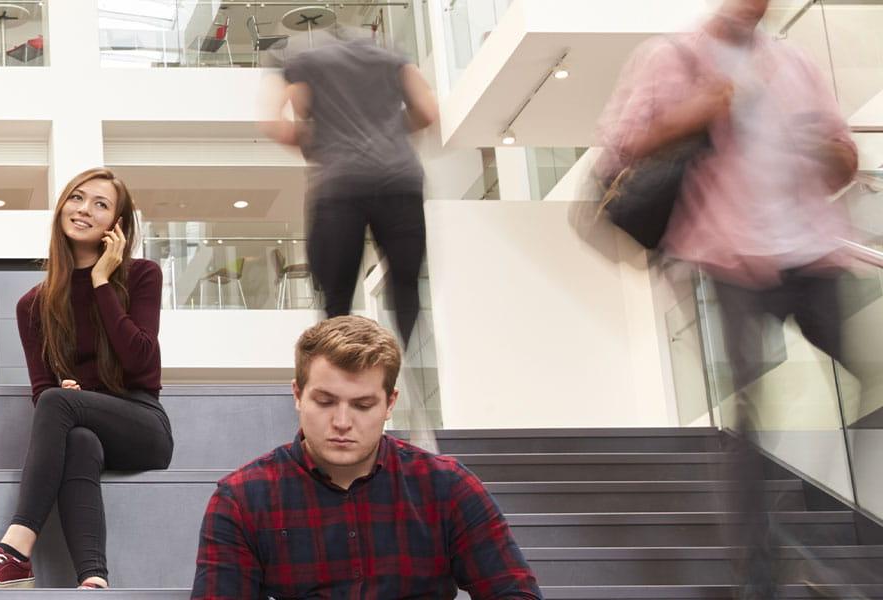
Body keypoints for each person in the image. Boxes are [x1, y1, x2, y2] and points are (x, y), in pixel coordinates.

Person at [597, 1, 860, 597]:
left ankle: (820, 548)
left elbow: (845, 156)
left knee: (863, 374)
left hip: (814, 251)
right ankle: (761, 572)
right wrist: (700, 110)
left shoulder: (793, 62)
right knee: (751, 413)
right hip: (729, 256)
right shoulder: (672, 56)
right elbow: (619, 146)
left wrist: (828, 152)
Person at [191, 316, 540, 599]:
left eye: (362, 405)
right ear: (297, 395)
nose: (342, 422)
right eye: (325, 401)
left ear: (390, 403)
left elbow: (514, 592)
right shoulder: (241, 500)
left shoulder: (447, 487)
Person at [0, 167, 173, 590]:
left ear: (117, 226)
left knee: (59, 403)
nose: (84, 209)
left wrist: (102, 282)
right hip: (83, 426)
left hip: (143, 425)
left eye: (100, 204)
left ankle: (14, 549)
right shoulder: (32, 305)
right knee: (77, 437)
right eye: (77, 197)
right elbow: (42, 391)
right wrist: (70, 394)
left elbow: (142, 363)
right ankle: (93, 577)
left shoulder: (142, 275)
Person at [262, 28, 439, 347]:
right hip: (400, 180)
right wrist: (393, 132)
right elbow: (428, 112)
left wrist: (315, 140)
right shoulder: (393, 59)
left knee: (336, 299)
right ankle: (402, 371)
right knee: (406, 286)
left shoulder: (309, 62)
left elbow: (275, 123)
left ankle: (336, 374)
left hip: (338, 186)